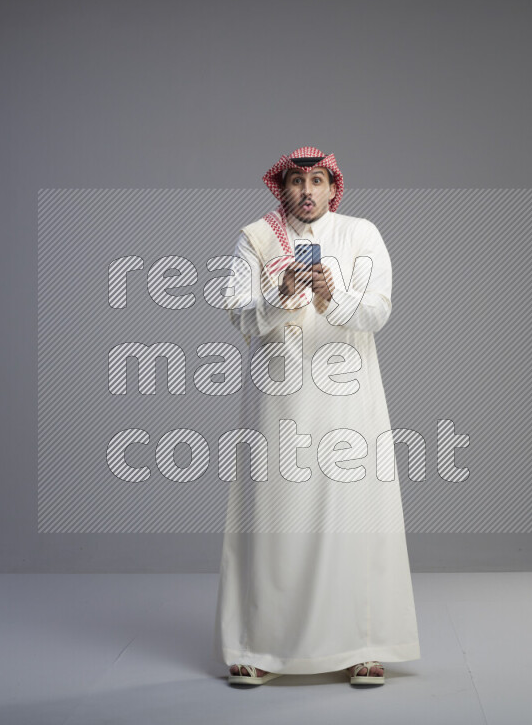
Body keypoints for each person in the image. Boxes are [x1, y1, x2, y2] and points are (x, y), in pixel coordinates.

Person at [213, 146, 420, 686]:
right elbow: (237, 312)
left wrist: (335, 297)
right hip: (279, 398)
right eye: (297, 182)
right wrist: (280, 295)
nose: (307, 191)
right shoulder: (255, 239)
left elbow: (379, 311)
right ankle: (259, 647)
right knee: (273, 519)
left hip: (348, 399)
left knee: (352, 514)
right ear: (281, 189)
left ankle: (363, 644)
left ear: (333, 188)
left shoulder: (362, 234)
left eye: (317, 181)